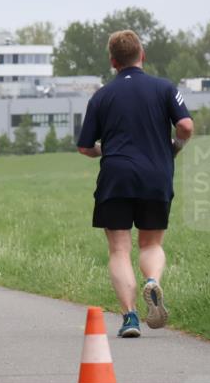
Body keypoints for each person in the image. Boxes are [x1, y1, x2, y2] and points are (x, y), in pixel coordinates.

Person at [77, 30, 193, 338]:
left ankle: (130, 317)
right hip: (156, 174)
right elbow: (185, 125)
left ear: (113, 61)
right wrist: (175, 147)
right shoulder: (165, 88)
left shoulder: (101, 96)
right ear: (142, 55)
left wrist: (107, 149)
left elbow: (85, 147)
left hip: (116, 177)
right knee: (151, 243)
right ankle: (152, 280)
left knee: (118, 249)